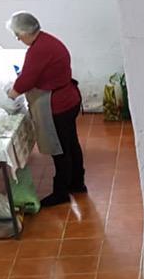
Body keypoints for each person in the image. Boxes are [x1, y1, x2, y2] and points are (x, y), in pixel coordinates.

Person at [5, 11, 85, 208]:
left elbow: (26, 81)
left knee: (60, 149)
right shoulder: (47, 40)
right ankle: (77, 183)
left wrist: (9, 96)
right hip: (69, 98)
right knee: (71, 144)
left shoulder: (38, 50)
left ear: (26, 32)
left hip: (58, 105)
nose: (18, 39)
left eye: (18, 35)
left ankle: (61, 193)